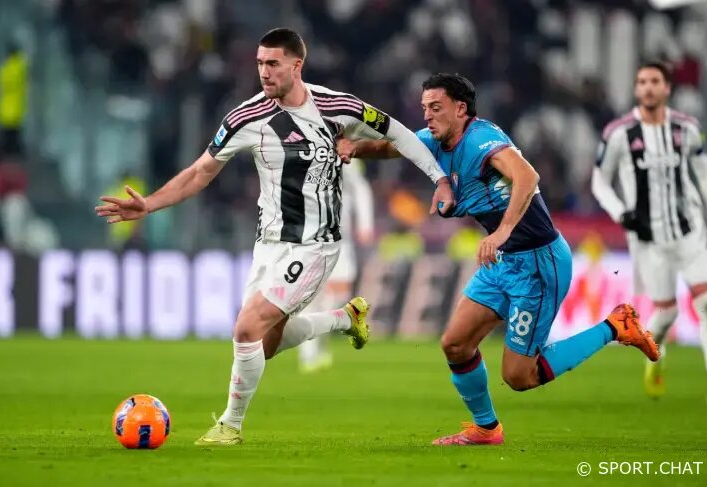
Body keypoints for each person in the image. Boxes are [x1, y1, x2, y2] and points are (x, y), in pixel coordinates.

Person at [95, 28, 454, 446]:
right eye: (259, 63)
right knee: (263, 345)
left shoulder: (337, 107)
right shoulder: (245, 118)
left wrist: (440, 179)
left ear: (296, 65)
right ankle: (344, 318)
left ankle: (230, 426)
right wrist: (150, 205)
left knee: (247, 328)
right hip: (268, 244)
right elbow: (200, 172)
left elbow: (399, 133)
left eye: (273, 64)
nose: (264, 72)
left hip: (316, 245)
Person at [338, 73, 659, 446]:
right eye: (425, 108)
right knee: (455, 344)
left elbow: (527, 176)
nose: (427, 115)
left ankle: (616, 326)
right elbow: (391, 146)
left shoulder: (481, 139)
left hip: (538, 262)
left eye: (436, 107)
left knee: (519, 376)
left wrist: (503, 230)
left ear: (461, 109)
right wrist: (352, 146)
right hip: (504, 261)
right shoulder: (435, 139)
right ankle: (486, 429)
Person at [592, 61, 707, 403]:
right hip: (648, 238)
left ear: (667, 88)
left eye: (655, 81)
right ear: (636, 89)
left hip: (690, 231)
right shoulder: (619, 133)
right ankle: (654, 358)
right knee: (667, 312)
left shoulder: (687, 128)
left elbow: (705, 172)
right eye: (642, 81)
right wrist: (621, 213)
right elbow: (600, 181)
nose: (648, 87)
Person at [298, 160, 375, 373]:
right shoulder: (301, 155)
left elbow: (360, 188)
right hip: (309, 240)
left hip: (341, 239)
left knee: (339, 296)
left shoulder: (345, 158)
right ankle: (308, 354)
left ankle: (319, 343)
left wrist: (365, 224)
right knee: (312, 298)